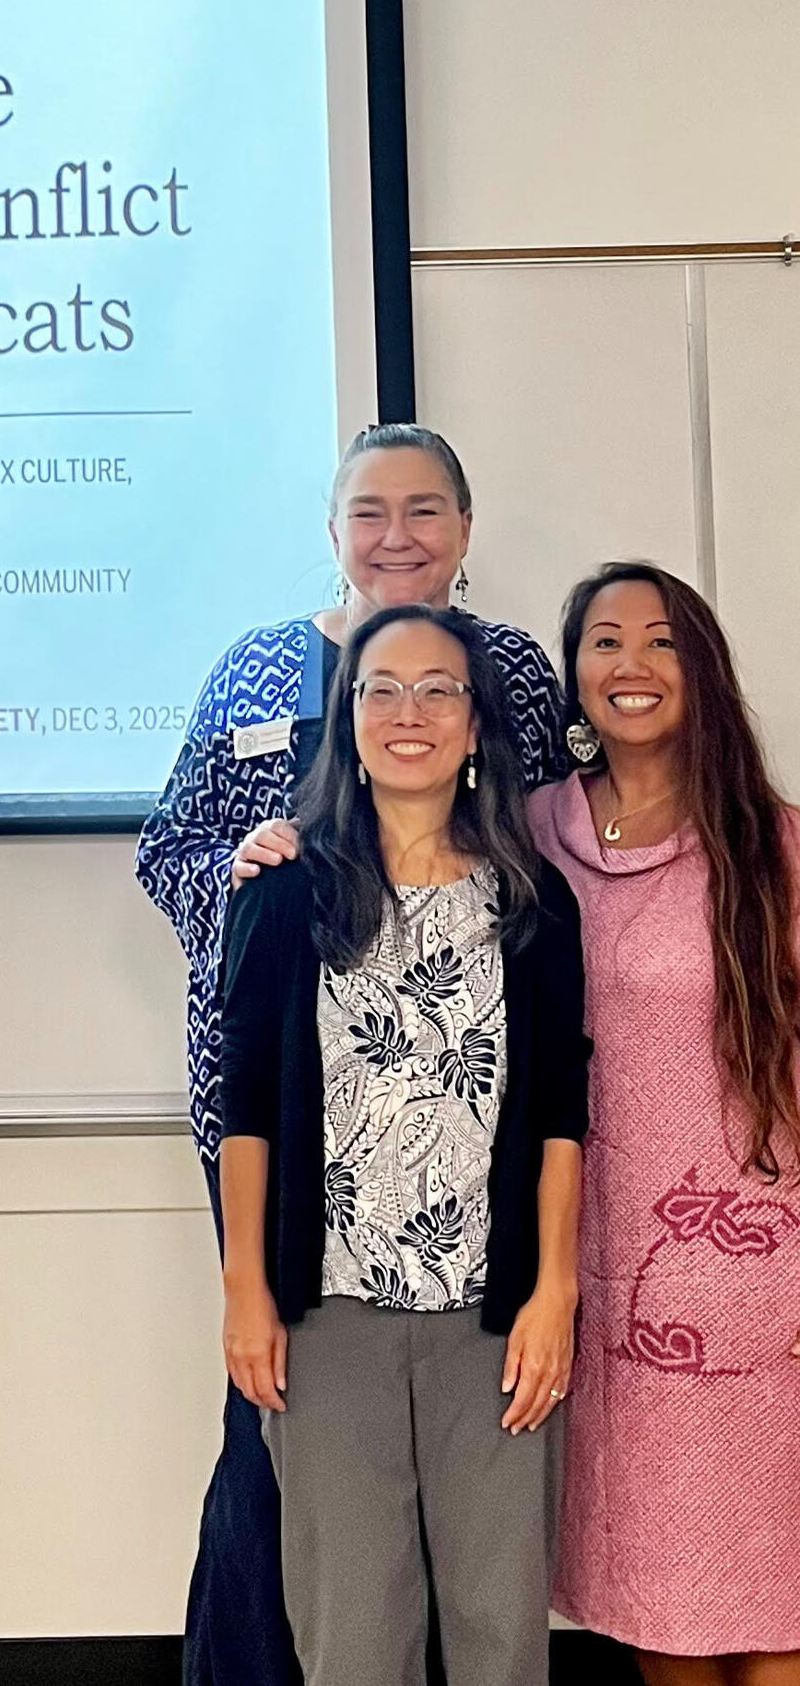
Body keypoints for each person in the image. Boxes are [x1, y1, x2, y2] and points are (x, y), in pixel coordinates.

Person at [135, 423, 567, 1686]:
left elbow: (544, 859)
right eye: (368, 511)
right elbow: (171, 850)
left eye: (425, 509)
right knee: (278, 1431)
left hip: (469, 1132)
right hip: (275, 1118)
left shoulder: (521, 677)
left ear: (467, 533)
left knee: (473, 1473)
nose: (397, 536)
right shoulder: (255, 671)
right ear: (331, 531)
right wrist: (251, 885)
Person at [220, 604, 589, 1686]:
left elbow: (563, 1110)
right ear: (350, 719)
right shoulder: (287, 894)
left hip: (495, 1322)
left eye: (439, 690)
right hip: (326, 1318)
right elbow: (248, 1104)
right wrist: (245, 1283)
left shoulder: (534, 901)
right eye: (382, 689)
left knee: (498, 1637)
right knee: (351, 1640)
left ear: (477, 727)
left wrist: (554, 1290)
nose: (410, 712)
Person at [529, 563, 800, 1685]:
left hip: (759, 1275)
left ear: (703, 667)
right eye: (604, 641)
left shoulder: (772, 844)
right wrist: (278, 849)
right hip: (599, 1275)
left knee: (775, 1606)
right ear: (575, 674)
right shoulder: (531, 831)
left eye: (660, 641)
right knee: (657, 1603)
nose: (630, 665)